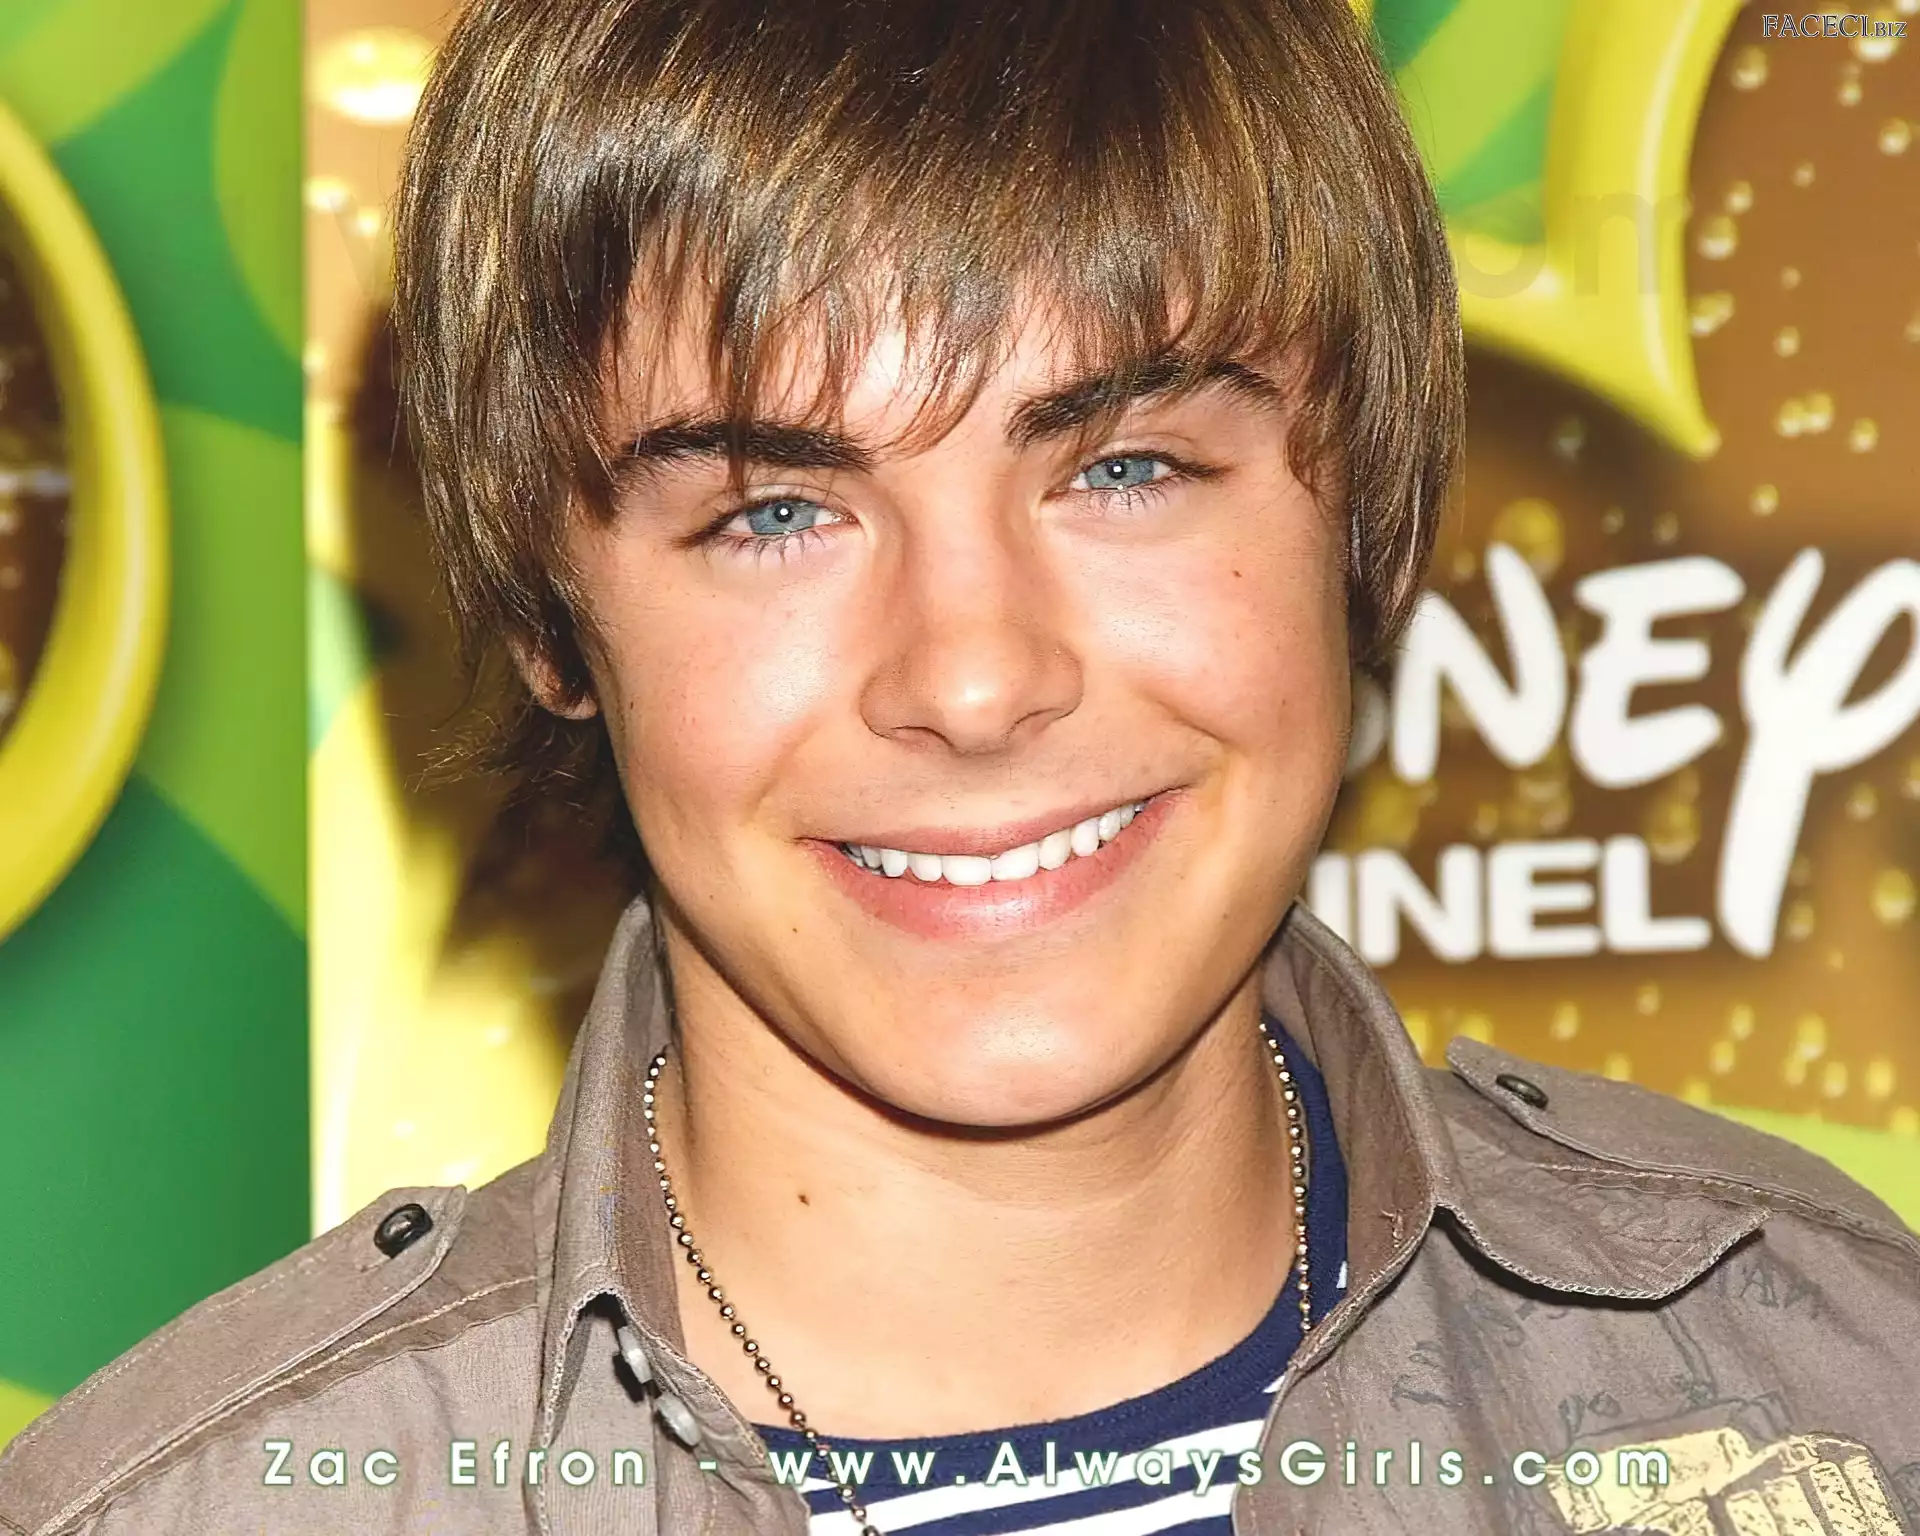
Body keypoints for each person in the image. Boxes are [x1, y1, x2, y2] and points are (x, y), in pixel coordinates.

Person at [6, 0, 1920, 1532]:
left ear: (1368, 521)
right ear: (550, 620)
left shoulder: (1836, 1363)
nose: (978, 678)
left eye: (1126, 470)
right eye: (774, 512)